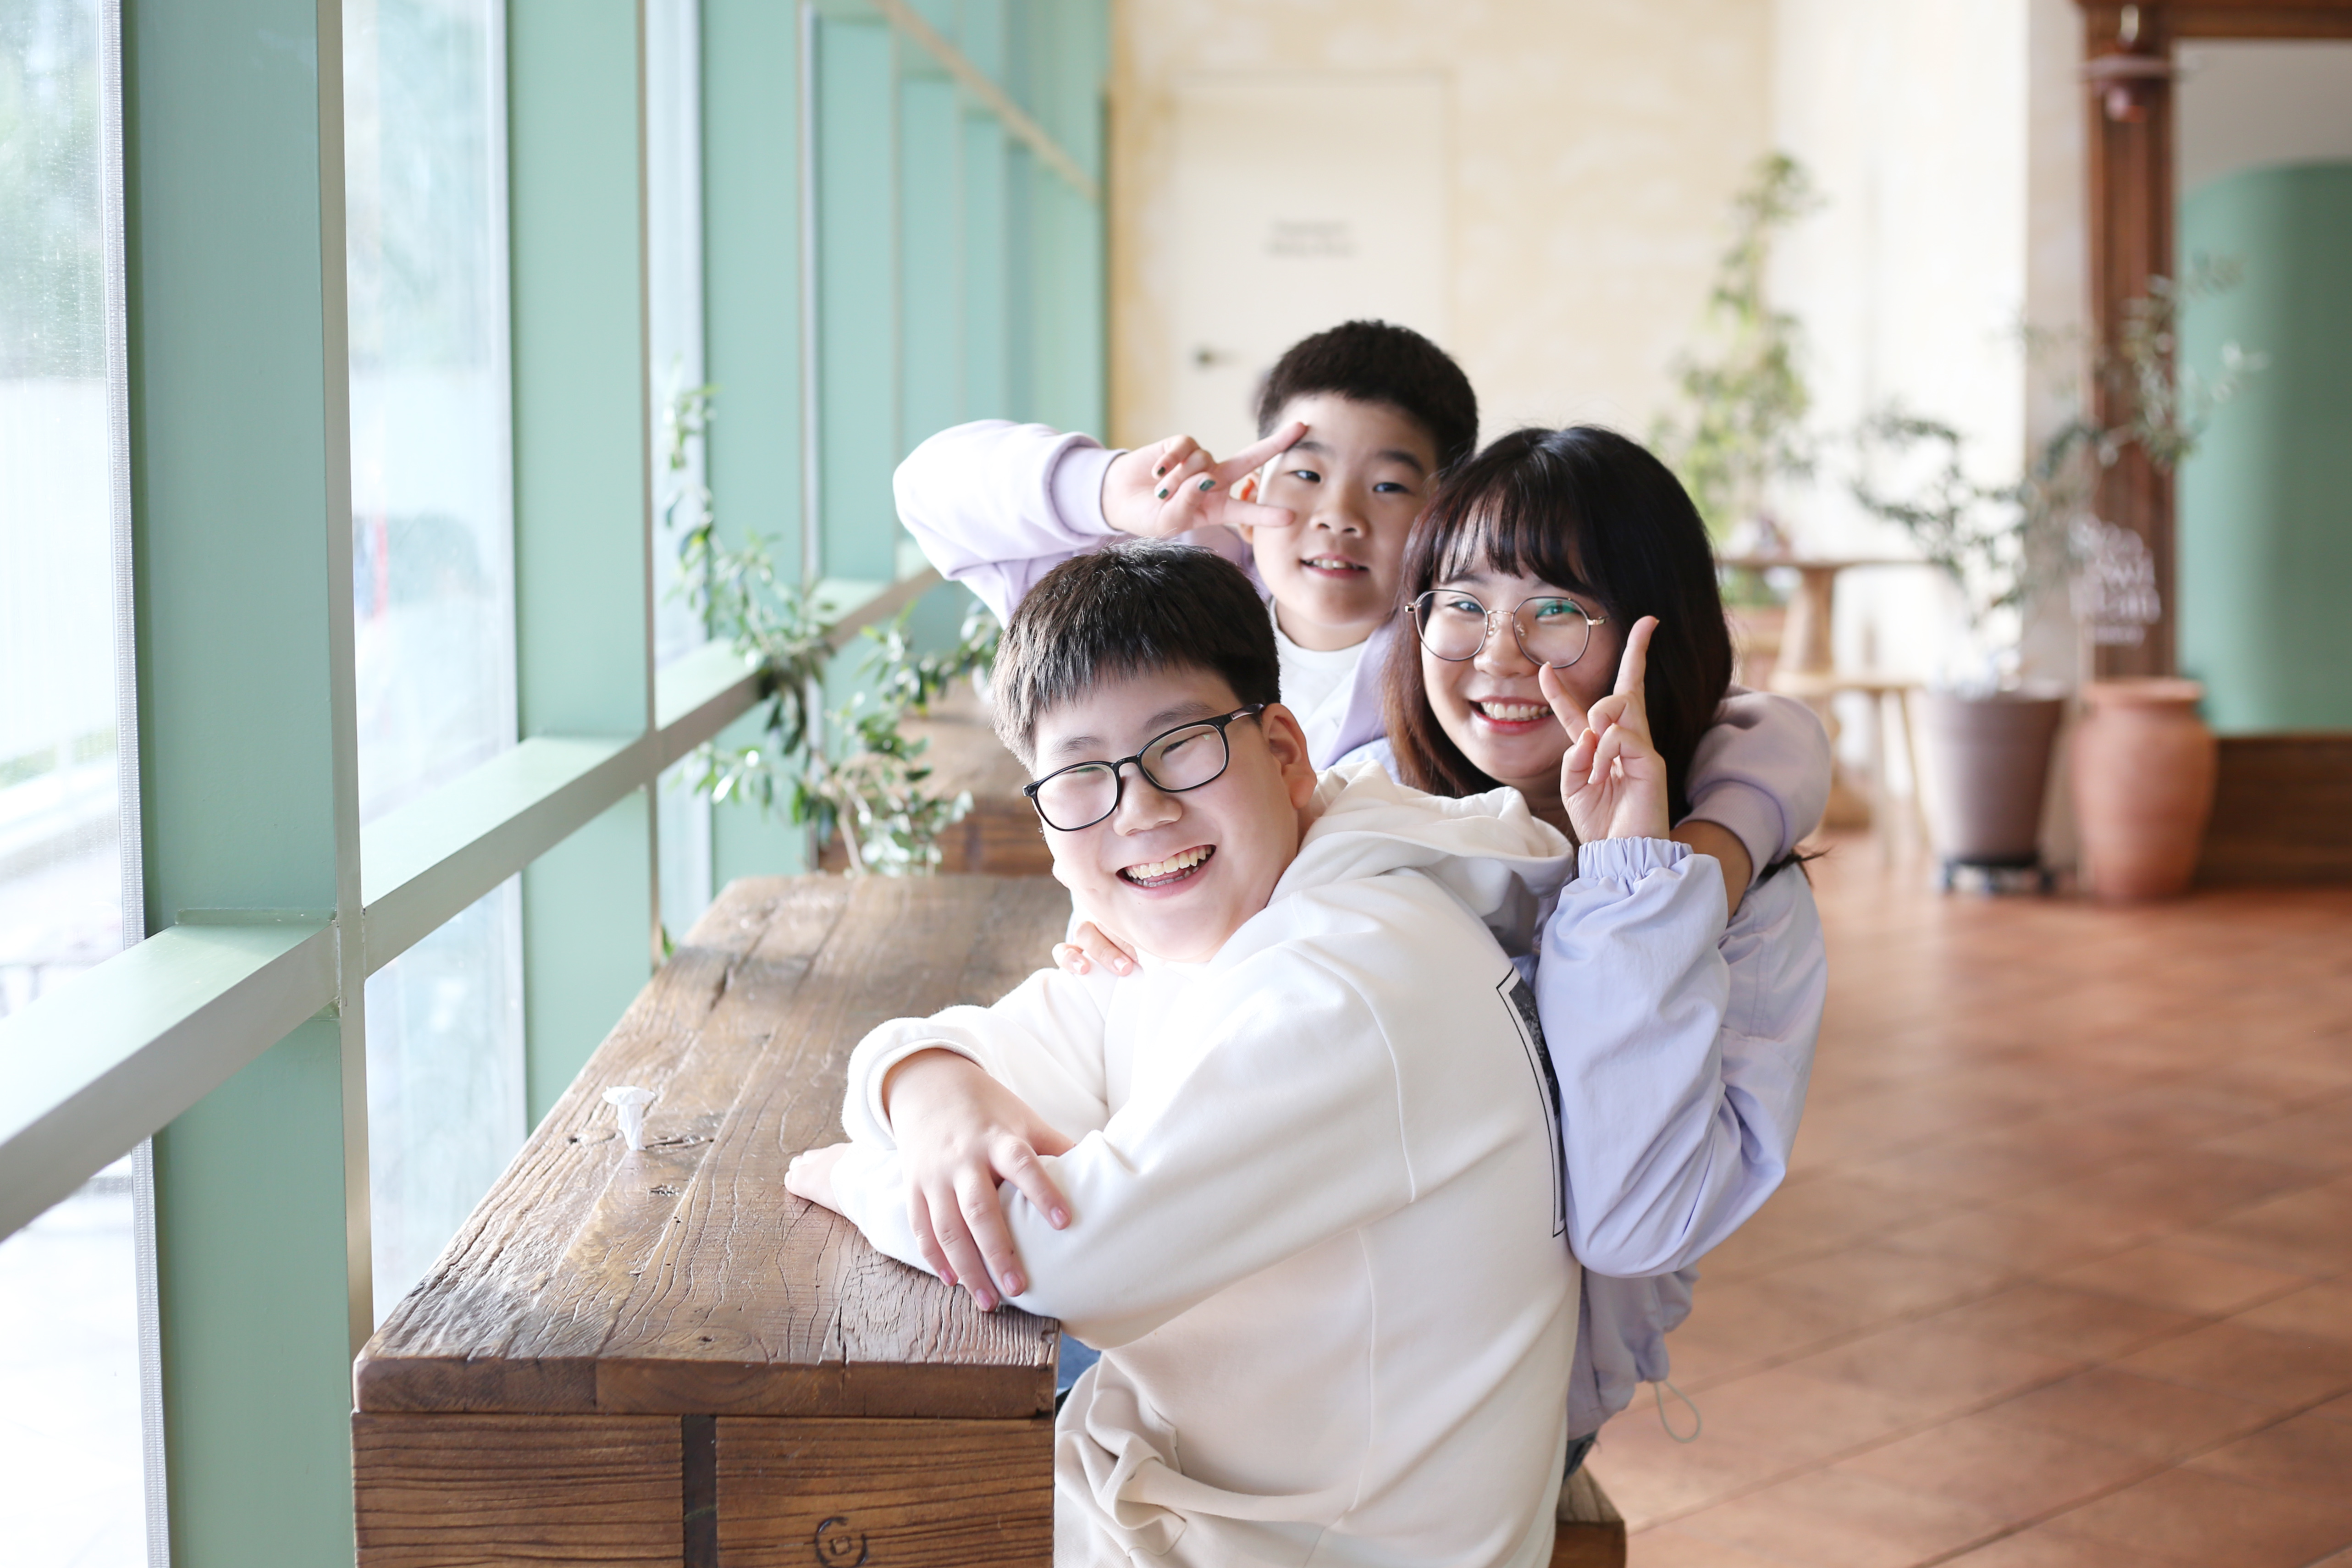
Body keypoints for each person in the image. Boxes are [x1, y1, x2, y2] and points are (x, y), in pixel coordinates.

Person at [784, 540, 1729, 1568]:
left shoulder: (1348, 984)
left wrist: (847, 1176)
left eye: (1181, 746)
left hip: (1313, 1548)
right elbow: (1019, 1039)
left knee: (808, 1513)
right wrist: (928, 1096)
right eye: (1082, 778)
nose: (1141, 810)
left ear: (1284, 751)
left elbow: (1056, 1255)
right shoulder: (1236, 922)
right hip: (1219, 1502)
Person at [1055, 426, 1831, 1470]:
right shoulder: (1379, 803)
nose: (1499, 656)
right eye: (1461, 603)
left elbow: (1635, 1224)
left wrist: (1632, 884)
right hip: (1292, 1334)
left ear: (1658, 631)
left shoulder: (1751, 910)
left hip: (1490, 1419)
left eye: (1556, 609)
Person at [894, 317, 1822, 922]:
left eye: (1387, 486)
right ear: (1253, 481)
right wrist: (1106, 488)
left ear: (1445, 514)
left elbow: (1766, 731)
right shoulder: (1170, 612)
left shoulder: (1455, 665)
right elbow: (931, 494)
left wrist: (1716, 850)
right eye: (1304, 473)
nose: (1337, 516)